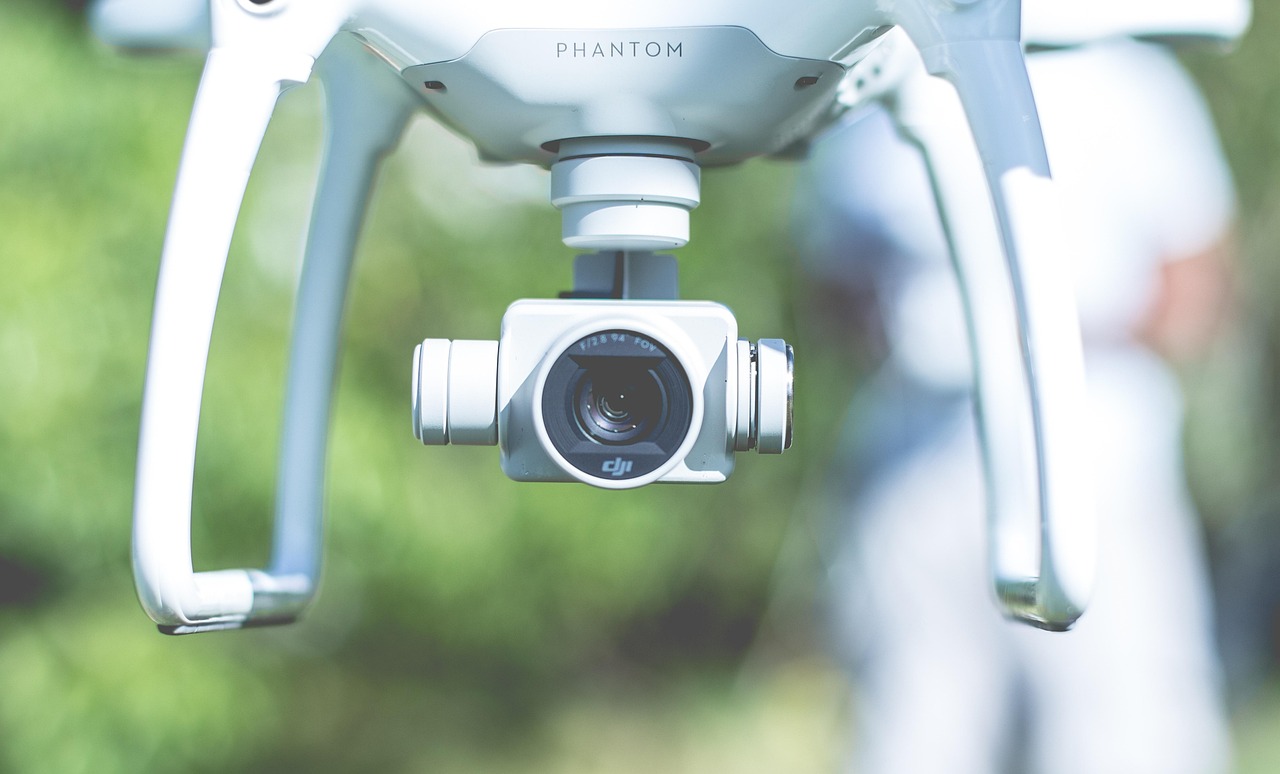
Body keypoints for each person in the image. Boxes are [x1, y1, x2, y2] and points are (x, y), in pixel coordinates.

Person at [795, 37, 1237, 774]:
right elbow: (831, 282)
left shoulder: (1130, 83)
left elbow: (1196, 284)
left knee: (1125, 731)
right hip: (918, 454)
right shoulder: (876, 84)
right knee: (917, 723)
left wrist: (1044, 333)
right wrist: (921, 330)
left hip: (1098, 450)